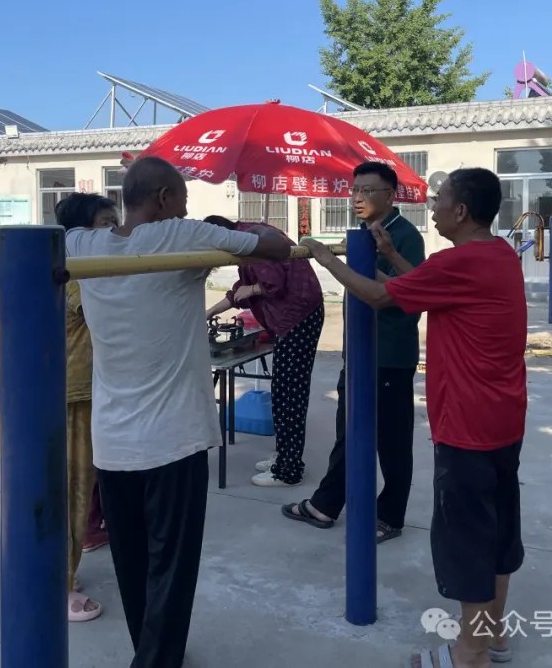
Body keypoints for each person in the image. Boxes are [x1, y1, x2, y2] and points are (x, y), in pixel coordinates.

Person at [65, 156, 292, 668]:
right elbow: (278, 248)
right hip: (174, 440)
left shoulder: (83, 244)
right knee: (171, 565)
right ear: (165, 198)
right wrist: (234, 230)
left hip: (113, 443)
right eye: (183, 201)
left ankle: (149, 653)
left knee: (132, 562)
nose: (186, 211)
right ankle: (154, 662)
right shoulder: (179, 236)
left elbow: (54, 234)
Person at [301, 167, 528, 668]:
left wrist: (324, 257)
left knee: (467, 538)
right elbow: (412, 288)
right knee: (497, 530)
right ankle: (492, 636)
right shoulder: (497, 255)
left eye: (440, 198)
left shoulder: (458, 261)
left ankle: (469, 654)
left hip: (467, 426)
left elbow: (380, 297)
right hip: (503, 419)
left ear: (461, 211)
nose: (433, 205)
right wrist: (389, 255)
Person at [281, 160, 425, 544]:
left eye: (367, 190)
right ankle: (326, 505)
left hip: (389, 354)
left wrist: (338, 261)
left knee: (392, 441)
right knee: (350, 433)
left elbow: (403, 296)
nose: (357, 197)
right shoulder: (362, 234)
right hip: (359, 351)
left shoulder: (404, 236)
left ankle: (389, 516)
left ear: (390, 195)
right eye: (354, 189)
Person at [203, 216, 325, 487]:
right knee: (282, 390)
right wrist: (209, 312)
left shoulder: (251, 240)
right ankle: (284, 455)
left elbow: (272, 283)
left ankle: (288, 470)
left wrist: (253, 288)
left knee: (289, 393)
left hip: (298, 317)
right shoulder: (245, 236)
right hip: (293, 317)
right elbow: (241, 292)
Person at [54, 192, 120, 623]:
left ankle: (65, 570)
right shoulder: (79, 275)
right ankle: (59, 586)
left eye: (115, 221)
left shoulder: (72, 267)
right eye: (104, 223)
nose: (113, 231)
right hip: (73, 393)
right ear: (78, 232)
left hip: (79, 389)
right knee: (72, 492)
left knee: (81, 488)